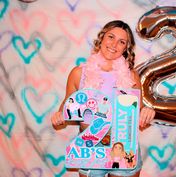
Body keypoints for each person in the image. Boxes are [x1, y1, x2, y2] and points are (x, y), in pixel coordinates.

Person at [51, 20, 156, 177]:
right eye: (111, 37)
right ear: (102, 38)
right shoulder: (78, 73)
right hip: (90, 146)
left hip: (123, 145)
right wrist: (59, 116)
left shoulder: (131, 76)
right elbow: (66, 110)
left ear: (126, 48)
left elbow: (138, 112)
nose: (114, 44)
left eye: (121, 42)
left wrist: (146, 112)